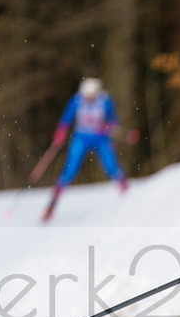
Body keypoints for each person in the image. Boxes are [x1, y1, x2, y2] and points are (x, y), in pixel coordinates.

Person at [43, 77, 128, 221]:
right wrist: (61, 132)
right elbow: (66, 118)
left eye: (91, 95)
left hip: (100, 139)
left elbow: (113, 120)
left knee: (111, 166)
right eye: (86, 95)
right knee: (70, 170)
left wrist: (107, 126)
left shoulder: (105, 100)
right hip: (81, 138)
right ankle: (53, 202)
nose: (88, 98)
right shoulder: (77, 99)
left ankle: (126, 192)